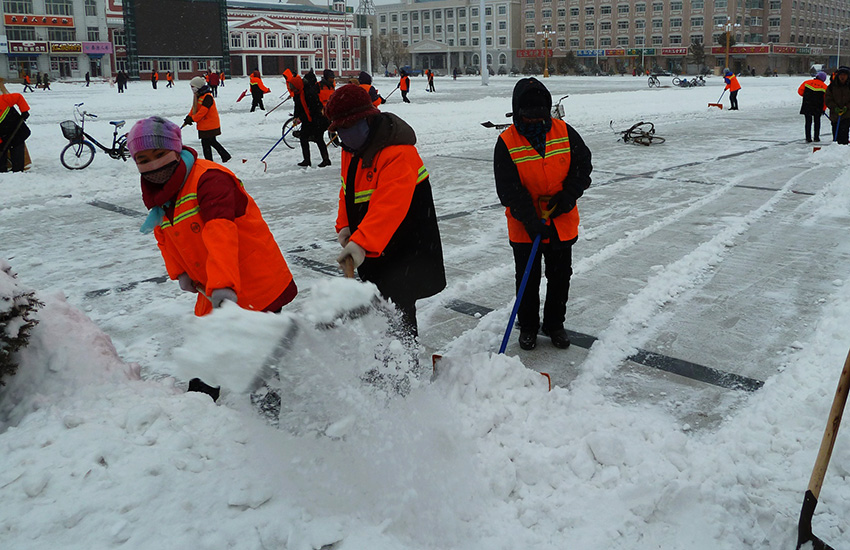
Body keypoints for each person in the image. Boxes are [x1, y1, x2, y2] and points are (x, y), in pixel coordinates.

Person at [325, 84, 446, 342]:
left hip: (405, 246)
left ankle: (404, 371)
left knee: (399, 310)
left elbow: (390, 205)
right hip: (376, 246)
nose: (342, 136)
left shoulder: (398, 152)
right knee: (380, 308)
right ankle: (386, 362)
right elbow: (346, 190)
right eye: (339, 131)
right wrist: (345, 226)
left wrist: (361, 242)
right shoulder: (352, 149)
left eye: (347, 128)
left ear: (366, 120)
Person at [493, 78, 593, 351]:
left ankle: (554, 323)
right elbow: (508, 189)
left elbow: (582, 167)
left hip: (561, 219)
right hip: (525, 225)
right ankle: (527, 326)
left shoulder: (565, 132)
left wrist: (567, 197)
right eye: (530, 116)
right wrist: (531, 220)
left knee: (560, 277)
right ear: (518, 112)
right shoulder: (507, 142)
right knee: (527, 278)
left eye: (541, 115)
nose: (537, 122)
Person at [285, 70, 331, 168]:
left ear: (298, 86)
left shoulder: (309, 92)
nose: (294, 91)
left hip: (317, 118)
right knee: (303, 138)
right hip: (307, 119)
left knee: (319, 139)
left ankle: (326, 160)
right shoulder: (298, 93)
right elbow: (297, 106)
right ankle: (307, 160)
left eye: (295, 89)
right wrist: (296, 117)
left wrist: (301, 118)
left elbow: (313, 109)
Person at [183, 76, 231, 163]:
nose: (192, 89)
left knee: (208, 142)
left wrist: (193, 119)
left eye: (193, 87)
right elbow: (194, 109)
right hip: (204, 125)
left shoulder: (207, 97)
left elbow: (202, 112)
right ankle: (222, 157)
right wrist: (188, 118)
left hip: (210, 125)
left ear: (198, 87)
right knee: (210, 142)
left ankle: (215, 159)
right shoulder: (198, 96)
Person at [0, 90, 32, 173]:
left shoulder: (3, 100)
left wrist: (24, 110)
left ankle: (18, 170)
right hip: (4, 136)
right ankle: (2, 170)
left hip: (18, 132)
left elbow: (18, 97)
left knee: (16, 150)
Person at [798, 71, 828, 143]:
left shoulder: (807, 82)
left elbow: (800, 91)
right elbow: (826, 100)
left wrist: (807, 97)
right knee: (817, 122)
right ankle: (816, 137)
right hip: (818, 107)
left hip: (807, 105)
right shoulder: (824, 87)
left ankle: (808, 137)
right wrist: (823, 109)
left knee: (808, 122)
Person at [826, 66, 850, 144]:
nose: (842, 77)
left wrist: (846, 107)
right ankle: (836, 151)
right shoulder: (832, 87)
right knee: (836, 133)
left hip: (847, 115)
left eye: (845, 75)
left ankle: (843, 150)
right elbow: (828, 99)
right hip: (835, 115)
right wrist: (834, 107)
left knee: (844, 132)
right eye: (841, 75)